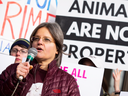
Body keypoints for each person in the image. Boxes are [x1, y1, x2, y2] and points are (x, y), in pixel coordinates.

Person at [0, 22, 80, 96]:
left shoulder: (68, 82)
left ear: (57, 49)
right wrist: (14, 79)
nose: (40, 42)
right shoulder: (12, 70)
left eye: (46, 39)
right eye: (36, 38)